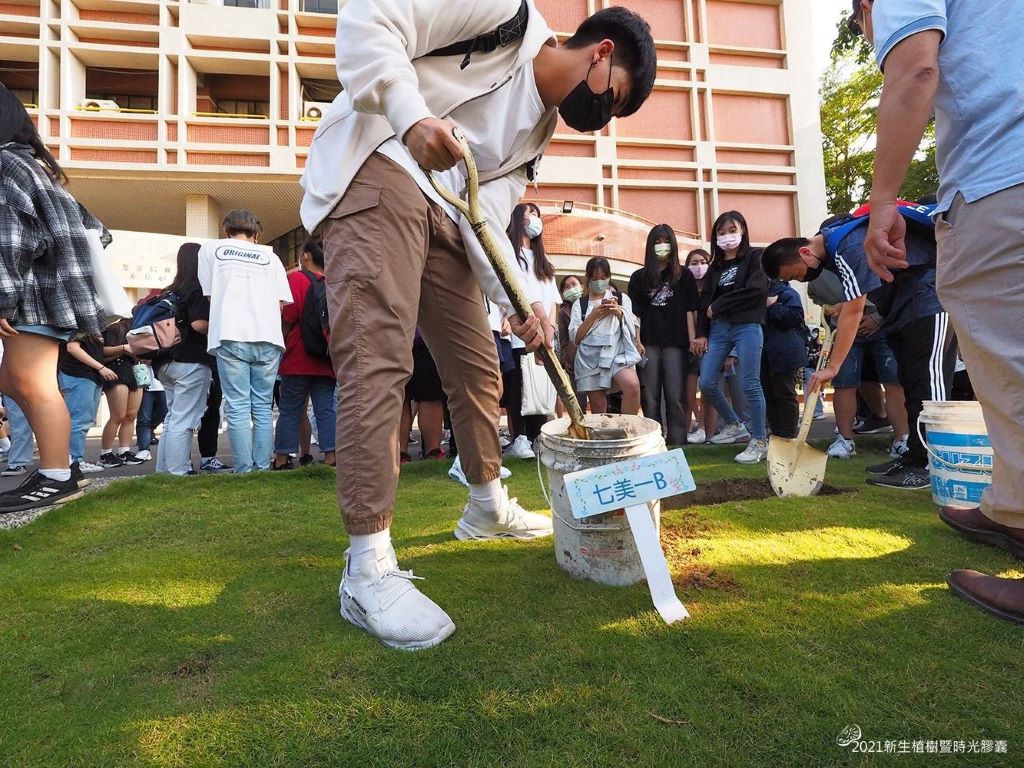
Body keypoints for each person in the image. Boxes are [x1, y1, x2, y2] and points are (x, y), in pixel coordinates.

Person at [300, 0, 656, 649]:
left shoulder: (537, 137)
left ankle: (486, 506)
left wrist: (524, 305)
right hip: (381, 164)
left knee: (477, 368)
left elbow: (484, 217)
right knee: (381, 360)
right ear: (601, 53)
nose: (601, 123)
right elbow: (368, 19)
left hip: (447, 220)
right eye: (614, 101)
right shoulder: (503, 13)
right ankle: (367, 565)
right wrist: (410, 119)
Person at [850, 0, 1024, 621]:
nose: (875, 42)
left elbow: (916, 70)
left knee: (1011, 364)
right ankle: (1011, 506)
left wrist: (882, 200)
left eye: (867, 31)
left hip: (1001, 176)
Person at [761, 203, 956, 492]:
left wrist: (833, 366)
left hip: (931, 298)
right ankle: (915, 457)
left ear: (803, 253)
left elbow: (855, 310)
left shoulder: (846, 245)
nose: (800, 281)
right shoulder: (834, 240)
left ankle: (932, 464)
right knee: (912, 384)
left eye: (794, 275)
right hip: (905, 306)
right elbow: (858, 296)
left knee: (929, 384)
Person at [0, 86, 108, 513]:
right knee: (13, 380)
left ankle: (57, 474)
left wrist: (2, 300)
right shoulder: (35, 168)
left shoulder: (6, 166)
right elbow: (96, 229)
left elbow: (10, 240)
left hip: (33, 296)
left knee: (32, 384)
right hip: (52, 294)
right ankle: (61, 469)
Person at [198, 210, 292, 474]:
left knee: (237, 404)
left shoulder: (211, 250)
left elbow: (210, 296)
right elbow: (280, 304)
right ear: (257, 233)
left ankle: (243, 468)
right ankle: (262, 466)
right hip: (269, 336)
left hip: (231, 332)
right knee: (263, 406)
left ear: (226, 229)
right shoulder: (271, 257)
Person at [698, 211, 770, 463]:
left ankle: (760, 440)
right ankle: (734, 424)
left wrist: (720, 304)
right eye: (721, 232)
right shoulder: (715, 267)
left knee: (750, 383)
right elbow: (704, 302)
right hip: (719, 329)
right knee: (706, 382)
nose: (727, 236)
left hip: (747, 325)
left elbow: (757, 290)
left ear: (742, 230)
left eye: (732, 230)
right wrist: (700, 333)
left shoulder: (755, 257)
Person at [627, 224, 699, 446]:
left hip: (676, 343)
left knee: (676, 395)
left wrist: (692, 340)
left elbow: (690, 310)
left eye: (665, 240)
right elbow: (635, 314)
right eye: (657, 241)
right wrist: (637, 342)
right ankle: (652, 440)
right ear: (650, 246)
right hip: (648, 342)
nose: (661, 246)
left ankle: (678, 438)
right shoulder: (639, 277)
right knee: (649, 395)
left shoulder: (683, 275)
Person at [502, 203, 561, 459]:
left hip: (545, 330)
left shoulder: (544, 263)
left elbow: (553, 299)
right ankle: (520, 438)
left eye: (537, 215)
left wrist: (550, 325)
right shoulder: (510, 255)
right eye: (529, 215)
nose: (534, 220)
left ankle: (538, 436)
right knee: (519, 387)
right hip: (521, 331)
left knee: (541, 387)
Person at [273, 237, 337, 470]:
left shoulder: (295, 280)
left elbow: (288, 317)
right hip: (325, 358)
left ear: (306, 256)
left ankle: (282, 458)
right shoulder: (334, 283)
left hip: (298, 356)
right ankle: (332, 455)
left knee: (290, 408)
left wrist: (283, 341)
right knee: (326, 408)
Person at [155, 243, 214, 477]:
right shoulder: (197, 288)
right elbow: (199, 324)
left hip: (164, 362)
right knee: (185, 419)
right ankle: (178, 472)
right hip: (190, 361)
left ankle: (163, 472)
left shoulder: (169, 291)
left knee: (172, 418)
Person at [569, 257, 641, 415]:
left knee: (632, 385)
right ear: (587, 278)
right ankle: (602, 437)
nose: (599, 282)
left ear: (609, 277)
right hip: (589, 360)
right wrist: (593, 315)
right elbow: (576, 337)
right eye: (594, 278)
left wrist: (619, 312)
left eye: (603, 278)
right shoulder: (579, 304)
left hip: (617, 353)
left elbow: (633, 325)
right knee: (598, 405)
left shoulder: (621, 299)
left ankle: (628, 429)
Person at [760, 279, 806, 439]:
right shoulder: (756, 294)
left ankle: (788, 436)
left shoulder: (786, 293)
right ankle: (777, 435)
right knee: (769, 395)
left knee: (785, 394)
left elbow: (796, 317)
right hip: (764, 353)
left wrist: (773, 306)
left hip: (785, 353)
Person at [57, 337, 110, 474]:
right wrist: (101, 367)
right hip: (78, 373)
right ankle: (74, 461)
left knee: (82, 420)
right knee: (79, 421)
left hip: (88, 374)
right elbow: (72, 347)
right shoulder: (83, 319)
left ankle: (74, 460)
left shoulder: (92, 324)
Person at [97, 319, 145, 468]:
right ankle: (105, 453)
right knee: (118, 415)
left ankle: (124, 451)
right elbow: (102, 351)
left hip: (135, 372)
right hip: (116, 371)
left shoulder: (141, 330)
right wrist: (124, 347)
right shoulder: (114, 327)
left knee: (131, 415)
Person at [683, 249, 715, 443]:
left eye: (702, 261)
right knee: (688, 391)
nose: (698, 266)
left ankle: (706, 430)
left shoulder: (714, 288)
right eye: (693, 262)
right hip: (689, 347)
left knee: (708, 390)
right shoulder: (684, 290)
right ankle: (689, 427)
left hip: (712, 345)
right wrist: (691, 340)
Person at [555, 275, 586, 417]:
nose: (570, 288)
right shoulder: (563, 313)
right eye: (566, 287)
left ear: (582, 287)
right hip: (574, 360)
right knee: (578, 396)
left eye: (574, 284)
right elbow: (563, 338)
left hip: (594, 356)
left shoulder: (590, 304)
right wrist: (564, 360)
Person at [135, 373, 166, 462]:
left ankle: (171, 449)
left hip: (165, 384)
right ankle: (144, 449)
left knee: (168, 419)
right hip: (144, 383)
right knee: (144, 419)